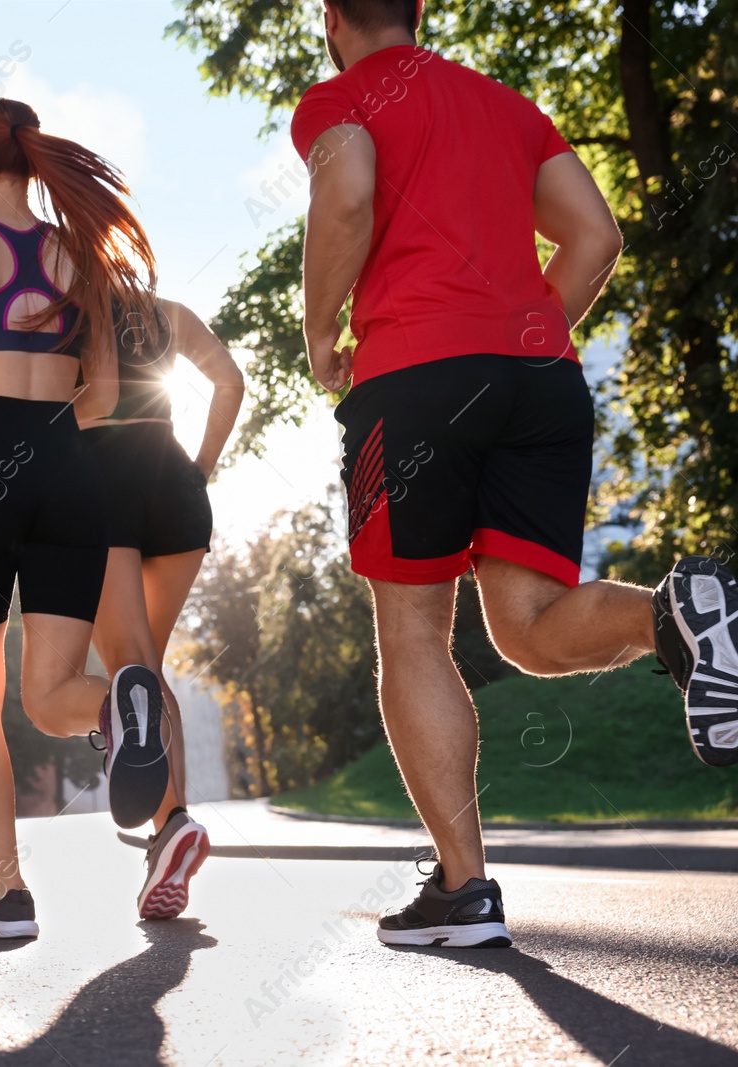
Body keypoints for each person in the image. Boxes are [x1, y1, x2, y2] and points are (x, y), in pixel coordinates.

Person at [295, 0, 738, 949]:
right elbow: (597, 237)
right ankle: (676, 614)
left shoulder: (338, 99)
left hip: (411, 378)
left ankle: (463, 889)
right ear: (418, 12)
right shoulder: (502, 105)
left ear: (333, 19)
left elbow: (346, 195)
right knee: (529, 629)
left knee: (414, 630)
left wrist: (320, 326)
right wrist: (531, 338)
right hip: (541, 383)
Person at [0, 97, 174, 939]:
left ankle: (8, 894)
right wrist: (50, 449)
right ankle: (123, 702)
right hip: (67, 469)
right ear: (33, 162)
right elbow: (110, 395)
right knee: (53, 697)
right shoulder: (82, 256)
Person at [80, 294, 244, 919]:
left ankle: (172, 821)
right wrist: (196, 470)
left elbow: (77, 400)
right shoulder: (167, 312)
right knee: (148, 667)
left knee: (130, 668)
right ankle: (164, 838)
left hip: (101, 477)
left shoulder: (68, 306)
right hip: (175, 482)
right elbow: (230, 381)